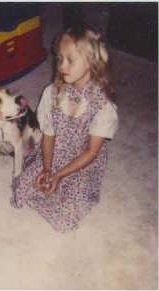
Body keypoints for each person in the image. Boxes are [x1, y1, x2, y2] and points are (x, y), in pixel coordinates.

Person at [11, 23, 119, 233]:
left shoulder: (103, 107)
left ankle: (67, 193)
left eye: (70, 60)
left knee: (67, 217)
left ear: (92, 61)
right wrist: (47, 168)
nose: (62, 66)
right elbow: (49, 135)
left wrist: (59, 175)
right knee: (21, 188)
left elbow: (91, 152)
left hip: (82, 162)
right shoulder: (52, 93)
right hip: (56, 153)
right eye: (60, 58)